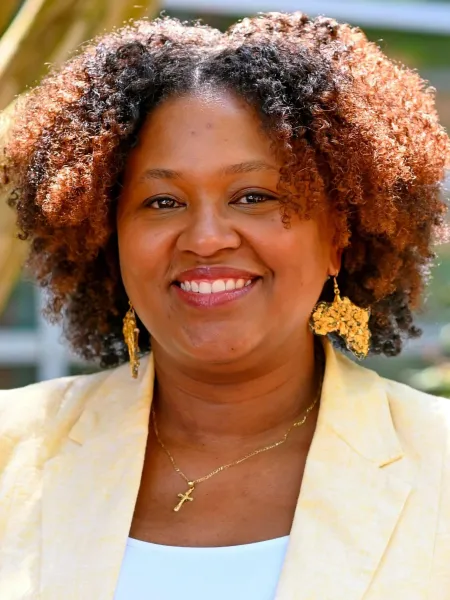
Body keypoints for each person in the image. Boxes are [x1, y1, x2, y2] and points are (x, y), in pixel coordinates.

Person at [0, 10, 449, 600]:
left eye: (253, 196)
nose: (207, 238)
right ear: (108, 240)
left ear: (339, 239)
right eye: (162, 202)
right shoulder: (12, 452)